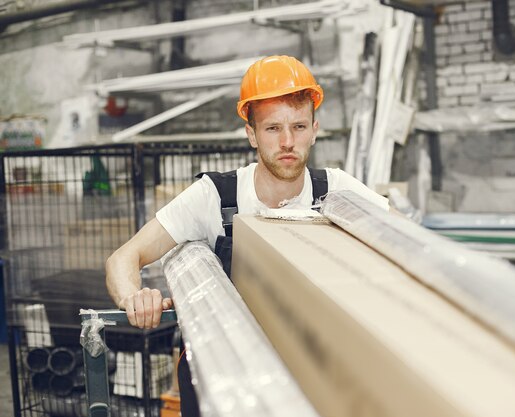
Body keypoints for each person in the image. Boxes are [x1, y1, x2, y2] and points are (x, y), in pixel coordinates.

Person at [105, 55, 388, 416]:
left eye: (299, 127)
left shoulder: (335, 190)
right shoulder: (215, 196)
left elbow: (406, 240)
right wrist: (134, 297)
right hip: (221, 381)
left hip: (308, 375)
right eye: (272, 129)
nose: (287, 142)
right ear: (251, 134)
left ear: (315, 129)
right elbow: (123, 259)